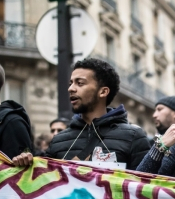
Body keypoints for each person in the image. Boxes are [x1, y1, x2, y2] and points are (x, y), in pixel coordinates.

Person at [12, 58, 150, 168]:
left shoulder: (133, 137)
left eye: (80, 83)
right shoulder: (59, 140)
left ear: (103, 92)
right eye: (71, 83)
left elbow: (145, 189)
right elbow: (45, 184)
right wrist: (26, 165)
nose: (71, 89)